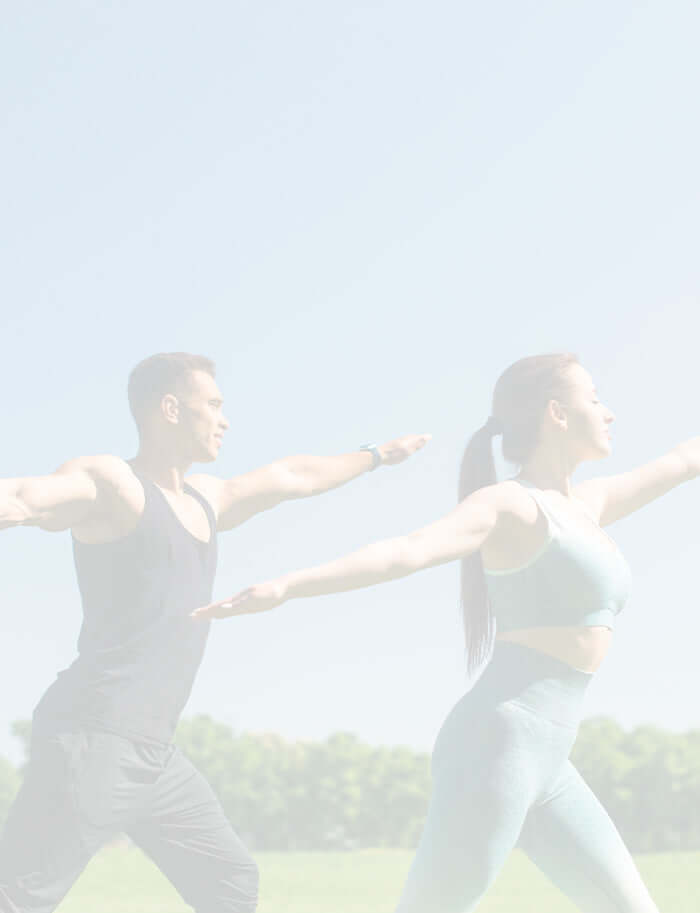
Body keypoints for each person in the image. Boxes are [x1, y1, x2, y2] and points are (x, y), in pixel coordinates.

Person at [194, 352, 699, 913]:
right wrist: (288, 585)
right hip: (496, 746)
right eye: (596, 399)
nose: (610, 413)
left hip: (552, 760)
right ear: (556, 413)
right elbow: (405, 552)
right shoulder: (511, 505)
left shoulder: (589, 504)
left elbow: (683, 459)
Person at [0, 351, 429, 913]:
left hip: (154, 753)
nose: (225, 420)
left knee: (229, 883)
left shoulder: (206, 498)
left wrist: (375, 455)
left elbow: (291, 476)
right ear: (171, 408)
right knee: (21, 895)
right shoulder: (115, 484)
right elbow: (24, 498)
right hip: (92, 736)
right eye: (215, 405)